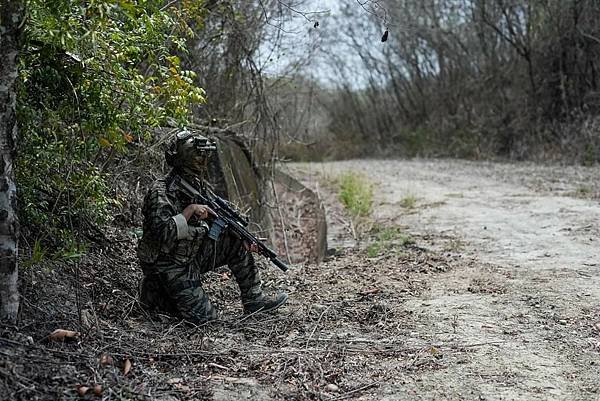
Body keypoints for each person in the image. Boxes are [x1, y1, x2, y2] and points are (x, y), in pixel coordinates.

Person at [137, 130, 288, 323]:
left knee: (235, 242)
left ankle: (254, 301)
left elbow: (216, 215)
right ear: (184, 157)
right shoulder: (161, 192)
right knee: (210, 322)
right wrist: (190, 210)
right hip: (168, 266)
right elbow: (163, 234)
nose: (203, 159)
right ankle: (156, 293)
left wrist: (240, 236)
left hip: (189, 257)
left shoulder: (195, 184)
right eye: (198, 154)